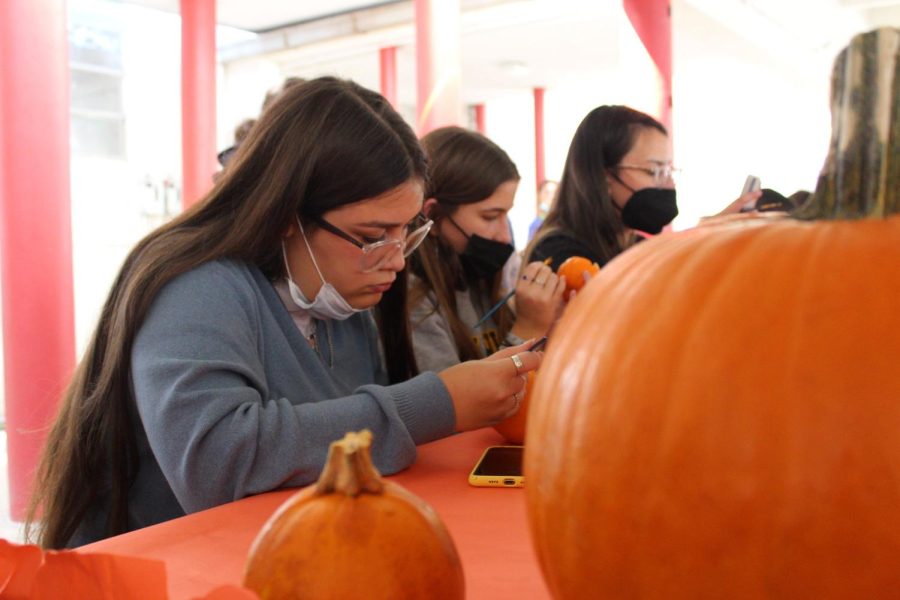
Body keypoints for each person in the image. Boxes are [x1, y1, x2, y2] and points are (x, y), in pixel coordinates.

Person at [26, 78, 541, 549]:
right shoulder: (195, 286)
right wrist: (437, 402)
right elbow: (217, 462)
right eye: (370, 237)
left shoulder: (337, 292)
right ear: (287, 214)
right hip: (166, 569)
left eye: (407, 231)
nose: (396, 258)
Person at [525, 105, 761, 269]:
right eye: (654, 171)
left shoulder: (637, 246)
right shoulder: (557, 254)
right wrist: (696, 242)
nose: (668, 184)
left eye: (669, 171)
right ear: (604, 176)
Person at [408, 127, 565, 373]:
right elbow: (455, 405)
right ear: (434, 216)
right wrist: (528, 328)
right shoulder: (414, 301)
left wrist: (552, 327)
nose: (504, 236)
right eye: (490, 216)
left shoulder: (479, 279)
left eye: (507, 215)